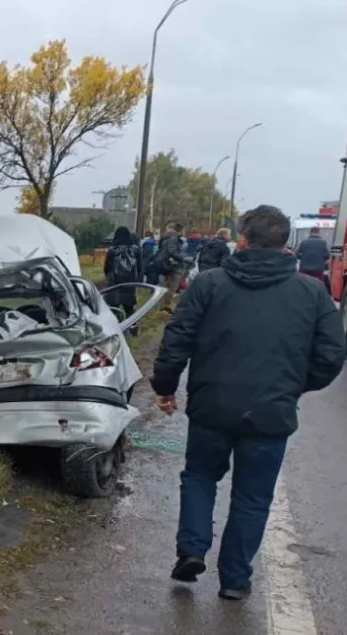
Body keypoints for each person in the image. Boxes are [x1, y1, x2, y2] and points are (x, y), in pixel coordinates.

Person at [153, 205, 346, 601]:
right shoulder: (311, 293)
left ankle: (192, 549)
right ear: (285, 243)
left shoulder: (209, 284)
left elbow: (177, 339)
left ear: (242, 240)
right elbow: (332, 354)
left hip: (212, 405)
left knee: (200, 476)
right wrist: (294, 386)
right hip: (271, 413)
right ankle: (235, 579)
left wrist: (165, 386)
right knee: (253, 496)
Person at [103, 226, 143, 334]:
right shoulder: (136, 250)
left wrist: (109, 277)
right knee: (129, 309)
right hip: (129, 284)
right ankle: (133, 329)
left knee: (113, 308)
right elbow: (140, 267)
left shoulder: (112, 250)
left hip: (114, 284)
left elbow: (106, 268)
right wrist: (137, 280)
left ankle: (115, 331)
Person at [155, 223, 187, 311]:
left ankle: (162, 306)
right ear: (180, 231)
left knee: (167, 286)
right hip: (173, 266)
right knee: (172, 287)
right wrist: (183, 257)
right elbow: (172, 252)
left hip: (168, 265)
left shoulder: (168, 237)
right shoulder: (174, 239)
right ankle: (165, 306)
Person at [295, 226, 332, 294]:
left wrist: (303, 257)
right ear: (319, 232)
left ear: (310, 232)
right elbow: (328, 256)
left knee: (303, 287)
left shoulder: (304, 242)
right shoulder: (323, 243)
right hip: (318, 270)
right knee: (318, 287)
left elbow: (296, 255)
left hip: (304, 269)